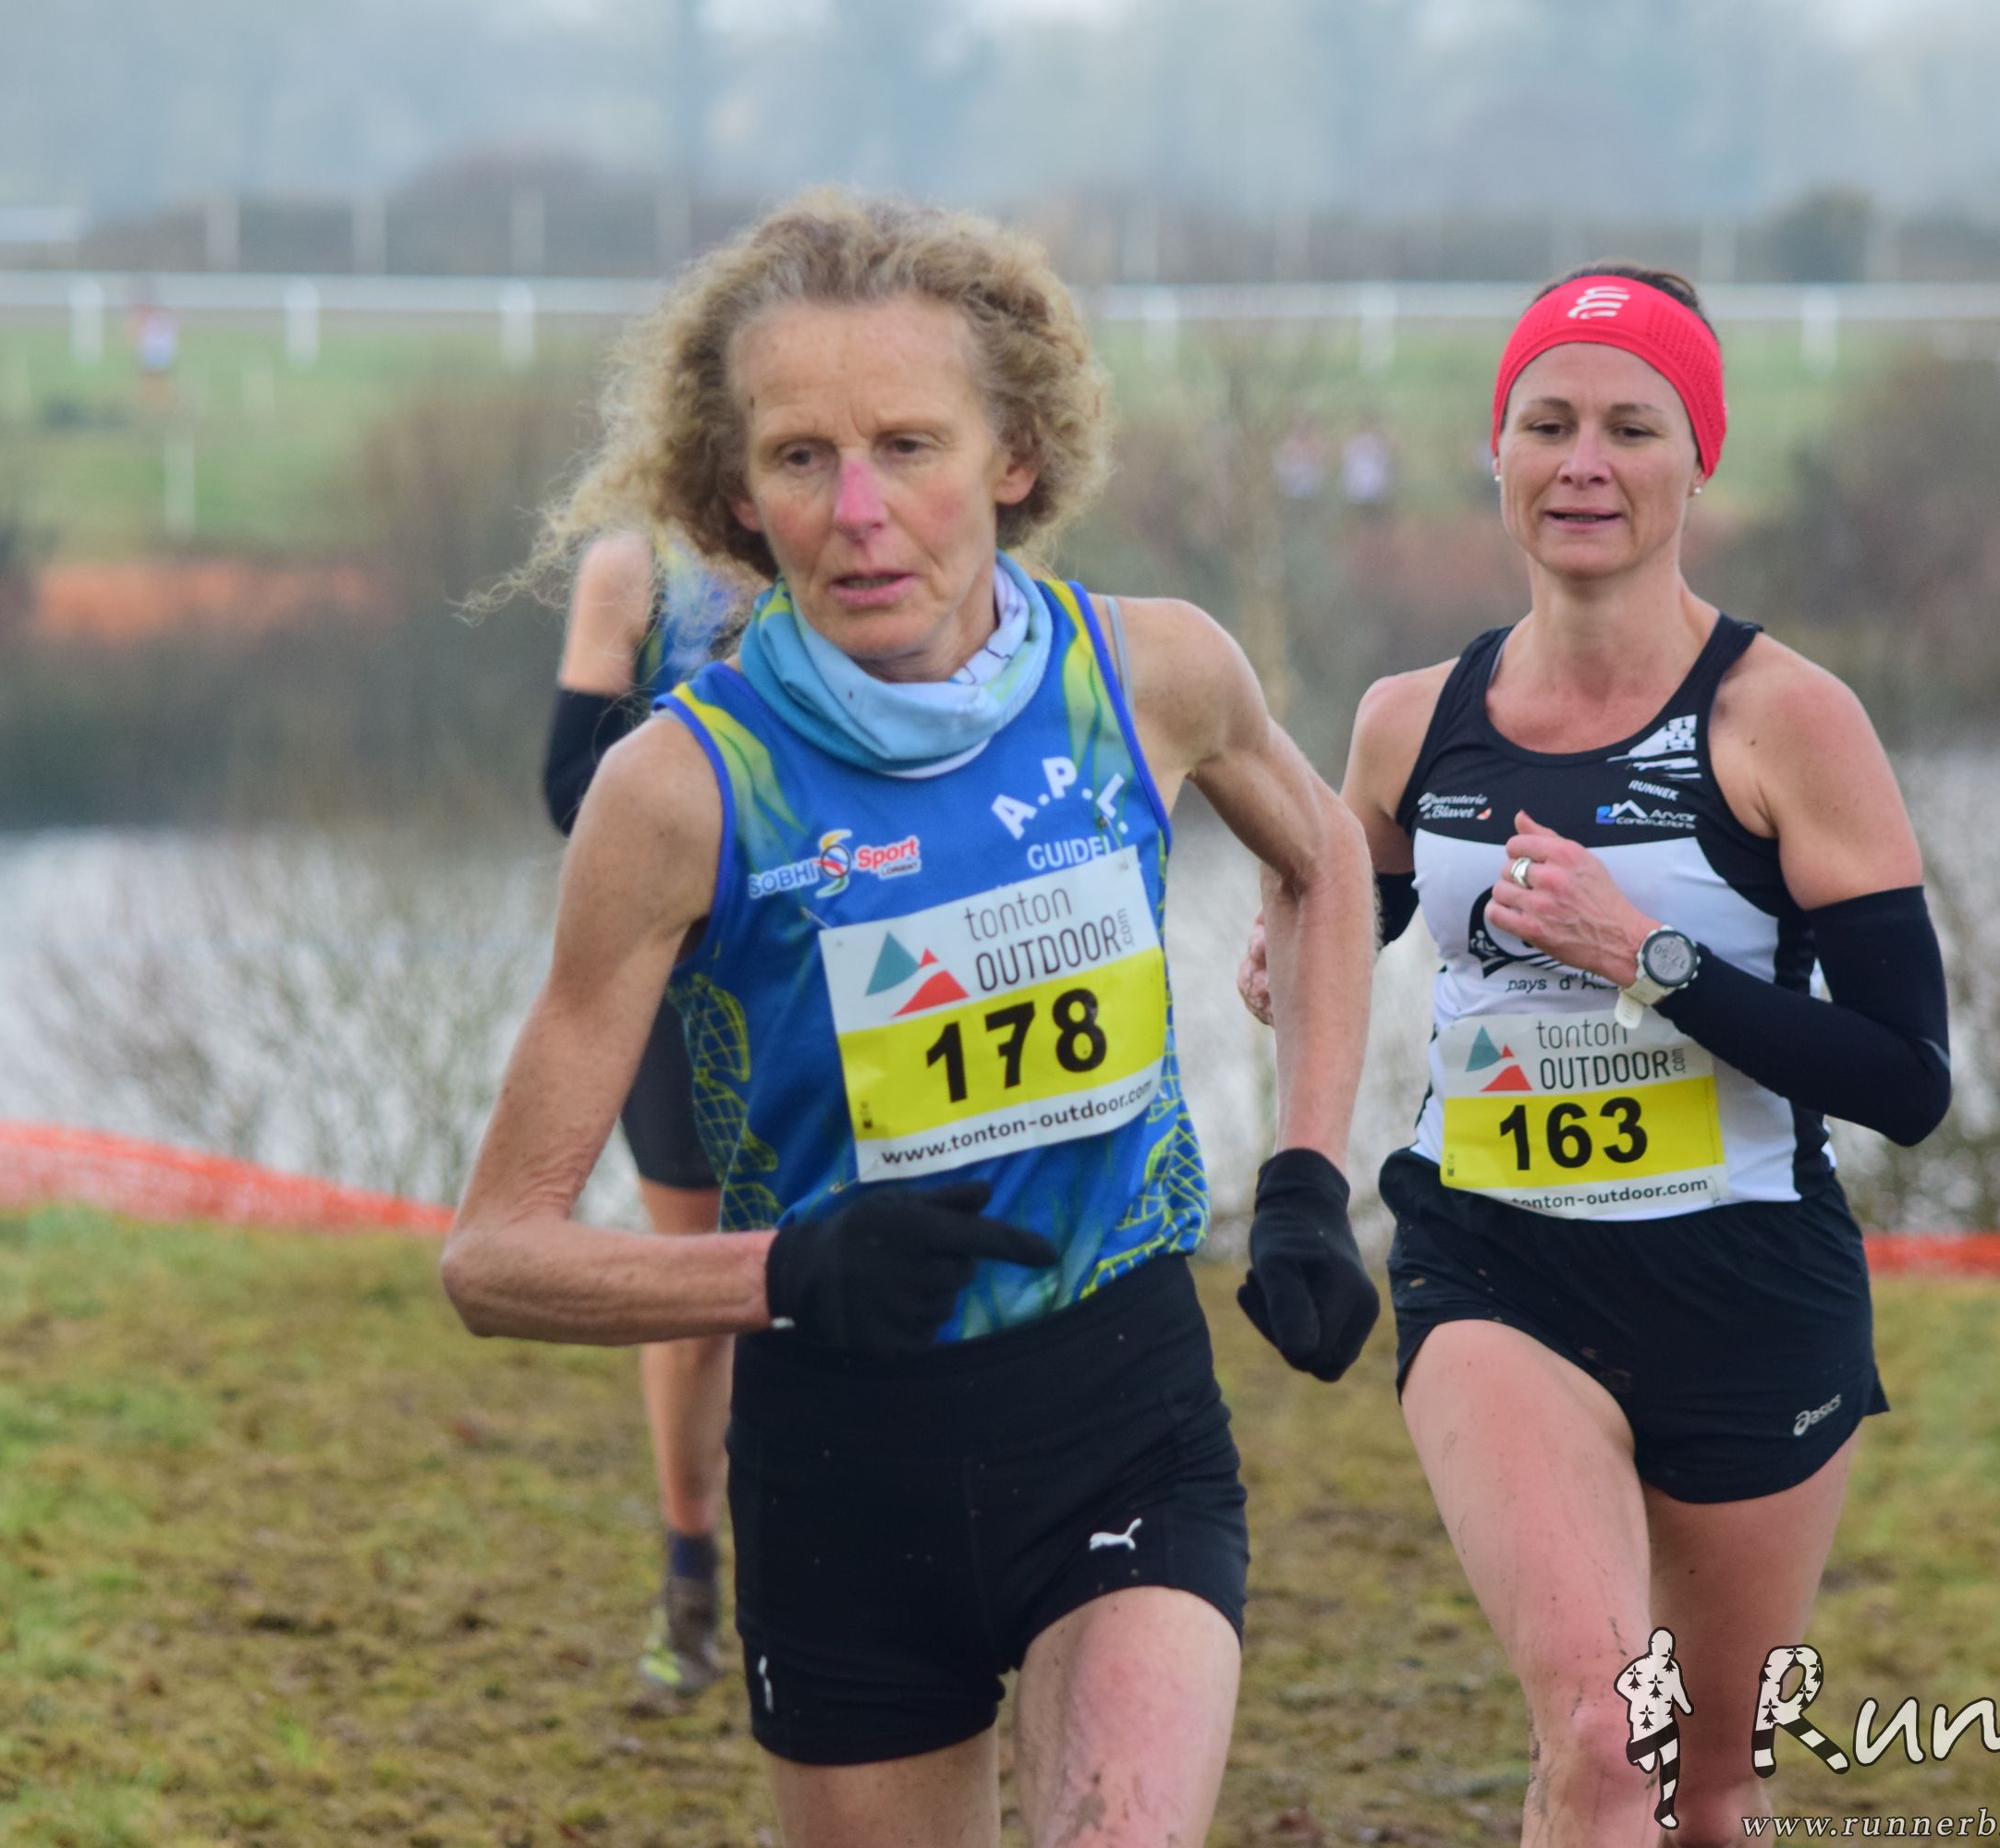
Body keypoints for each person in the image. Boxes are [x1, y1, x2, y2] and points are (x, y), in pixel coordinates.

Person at [445, 190, 1381, 1846]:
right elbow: (493, 1257)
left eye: (907, 446)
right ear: (735, 494)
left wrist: (1308, 1168)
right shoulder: (676, 791)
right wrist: (785, 1271)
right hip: (840, 1468)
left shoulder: (1150, 675)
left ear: (1015, 455)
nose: (859, 513)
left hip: (1120, 1415)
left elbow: (1327, 864)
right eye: (801, 458)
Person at [1243, 265, 1950, 1842]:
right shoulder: (1408, 721)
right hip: (1495, 1268)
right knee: (1599, 1735)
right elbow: (1339, 916)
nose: (1583, 463)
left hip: (1747, 1286)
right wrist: (1291, 950)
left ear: (1696, 461)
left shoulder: (1785, 720)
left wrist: (1650, 957)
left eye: (1632, 428)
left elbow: (1907, 1080)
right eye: (1547, 423)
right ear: (1493, 449)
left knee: (1708, 1789)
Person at [541, 526, 748, 1697]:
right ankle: (688, 1575)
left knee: (852, 1265)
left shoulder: (864, 545)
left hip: (838, 962)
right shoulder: (638, 571)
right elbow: (569, 790)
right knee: (697, 1289)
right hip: (678, 974)